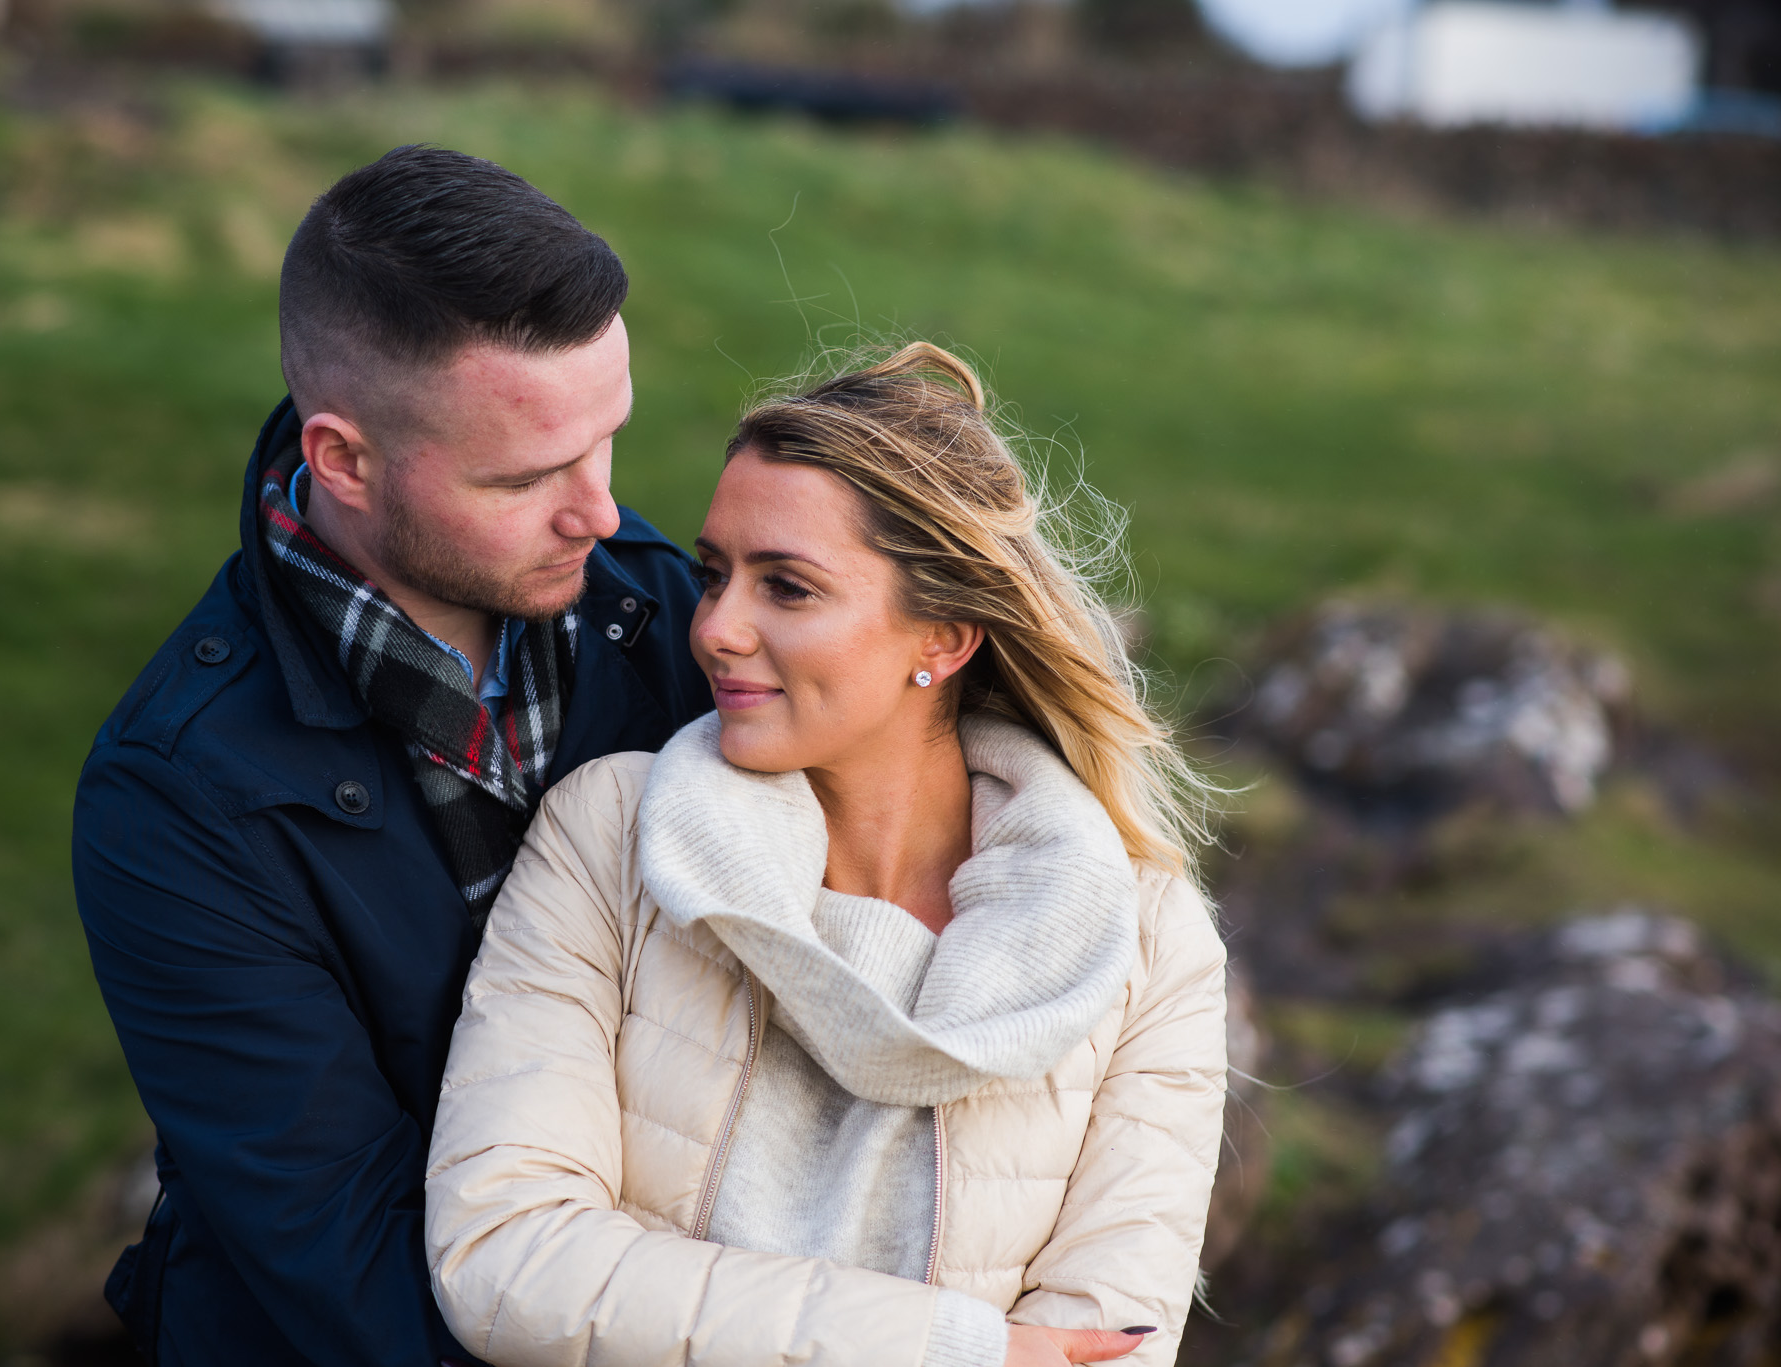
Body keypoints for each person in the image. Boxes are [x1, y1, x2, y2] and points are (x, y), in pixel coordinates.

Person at [425, 343, 1230, 1367]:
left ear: (940, 636)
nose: (713, 627)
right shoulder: (611, 833)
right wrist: (950, 1346)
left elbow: (1105, 1349)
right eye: (714, 575)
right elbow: (506, 1260)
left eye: (787, 588)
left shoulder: (1145, 940)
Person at [71, 146, 713, 1367]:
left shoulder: (666, 614)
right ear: (344, 460)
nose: (598, 511)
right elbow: (350, 1265)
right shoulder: (175, 796)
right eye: (524, 476)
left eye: (605, 440)